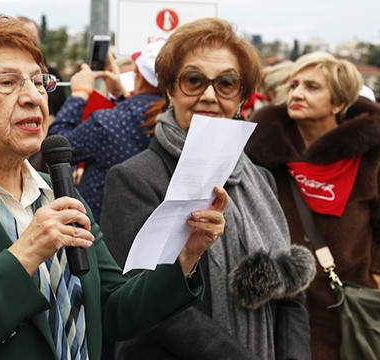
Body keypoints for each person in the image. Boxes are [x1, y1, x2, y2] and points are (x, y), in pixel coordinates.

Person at [0, 14, 228, 360]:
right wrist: (25, 254)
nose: (33, 97)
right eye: (7, 82)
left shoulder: (56, 194)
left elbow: (112, 310)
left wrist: (185, 257)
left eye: (39, 81)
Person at [101, 18, 316, 360]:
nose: (209, 96)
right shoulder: (135, 178)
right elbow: (152, 307)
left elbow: (291, 292)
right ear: (170, 89)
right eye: (193, 80)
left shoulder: (260, 178)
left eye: (227, 83)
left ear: (243, 97)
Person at [245, 51, 380, 359]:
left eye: (312, 87)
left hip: (343, 312)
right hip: (274, 310)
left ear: (339, 103)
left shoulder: (375, 160)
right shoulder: (260, 154)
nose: (297, 93)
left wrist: (375, 282)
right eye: (294, 84)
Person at [48, 40, 165, 221]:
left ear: (138, 76)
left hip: (105, 230)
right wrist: (122, 96)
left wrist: (79, 94)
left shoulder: (107, 122)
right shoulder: (179, 118)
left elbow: (57, 147)